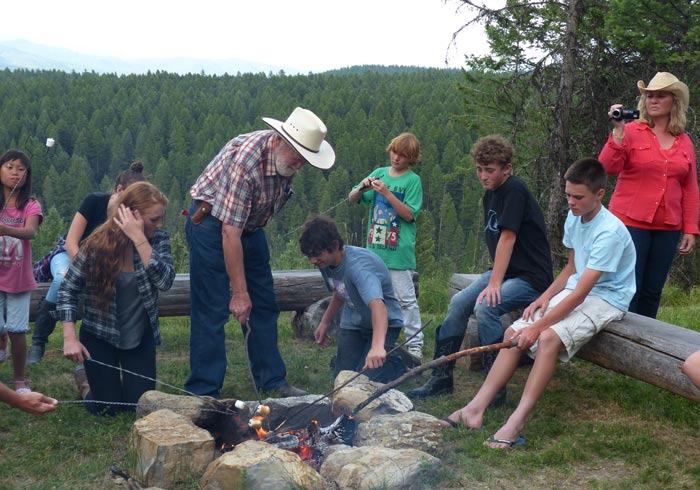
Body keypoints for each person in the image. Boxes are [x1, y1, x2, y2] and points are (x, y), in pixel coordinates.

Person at [439, 158, 636, 449]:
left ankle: (516, 421)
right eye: (568, 195)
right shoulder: (575, 216)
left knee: (546, 337)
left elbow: (582, 294)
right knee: (512, 334)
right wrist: (543, 297)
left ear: (600, 194)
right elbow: (572, 269)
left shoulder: (609, 232)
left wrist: (541, 324)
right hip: (577, 287)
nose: (571, 202)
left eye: (578, 197)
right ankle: (474, 409)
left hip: (607, 297)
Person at [185, 107, 335, 399]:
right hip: (213, 226)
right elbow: (230, 232)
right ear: (281, 141)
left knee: (264, 304)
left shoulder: (285, 162)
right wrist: (239, 293)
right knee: (212, 309)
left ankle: (273, 381)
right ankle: (204, 390)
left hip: (250, 229)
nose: (300, 166)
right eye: (298, 157)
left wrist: (249, 292)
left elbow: (244, 227)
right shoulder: (247, 162)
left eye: (306, 160)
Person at [408, 135, 553, 403]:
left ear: (506, 168)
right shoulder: (492, 194)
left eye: (490, 170)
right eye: (479, 169)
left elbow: (508, 238)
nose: (483, 176)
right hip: (508, 272)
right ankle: (441, 378)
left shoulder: (515, 191)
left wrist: (494, 283)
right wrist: (495, 278)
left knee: (486, 306)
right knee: (459, 302)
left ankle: (494, 388)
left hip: (531, 277)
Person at [57, 182, 174, 415]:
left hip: (139, 337)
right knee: (107, 410)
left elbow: (165, 281)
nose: (159, 225)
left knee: (138, 408)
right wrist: (69, 337)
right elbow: (67, 290)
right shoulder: (96, 243)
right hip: (100, 336)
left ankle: (96, 381)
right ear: (132, 215)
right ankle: (85, 381)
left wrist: (139, 238)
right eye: (154, 219)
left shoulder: (158, 239)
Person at [599, 72, 699, 319]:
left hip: (668, 226)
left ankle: (647, 342)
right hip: (630, 222)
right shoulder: (631, 131)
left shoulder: (684, 141)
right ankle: (623, 344)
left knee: (653, 290)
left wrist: (690, 229)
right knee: (630, 287)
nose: (653, 100)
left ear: (673, 102)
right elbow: (607, 168)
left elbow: (690, 187)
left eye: (660, 95)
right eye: (649, 96)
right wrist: (618, 133)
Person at [27, 161, 147, 365]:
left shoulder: (132, 215)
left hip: (104, 262)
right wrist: (88, 273)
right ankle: (38, 342)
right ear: (119, 190)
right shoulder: (94, 201)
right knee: (62, 279)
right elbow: (71, 243)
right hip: (70, 255)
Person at [299, 215, 407, 382]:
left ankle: (395, 364)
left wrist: (377, 347)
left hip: (384, 323)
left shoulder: (359, 268)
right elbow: (340, 290)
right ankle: (371, 356)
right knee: (342, 380)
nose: (313, 260)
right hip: (354, 323)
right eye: (309, 256)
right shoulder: (326, 263)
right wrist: (325, 322)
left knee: (364, 381)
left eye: (317, 254)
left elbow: (379, 306)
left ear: (334, 245)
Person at [348, 132, 424, 361]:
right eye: (394, 152)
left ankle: (415, 345)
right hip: (374, 251)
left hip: (398, 252)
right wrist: (362, 188)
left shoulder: (412, 181)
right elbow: (352, 198)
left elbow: (409, 215)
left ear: (410, 158)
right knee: (372, 297)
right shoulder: (379, 173)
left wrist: (387, 194)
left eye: (402, 155)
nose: (396, 158)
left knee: (405, 300)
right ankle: (374, 338)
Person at [0, 150, 42, 394]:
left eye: (21, 169)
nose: (15, 173)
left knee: (18, 330)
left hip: (19, 279)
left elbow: (30, 232)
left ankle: (19, 382)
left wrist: (5, 229)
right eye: (10, 167)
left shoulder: (31, 205)